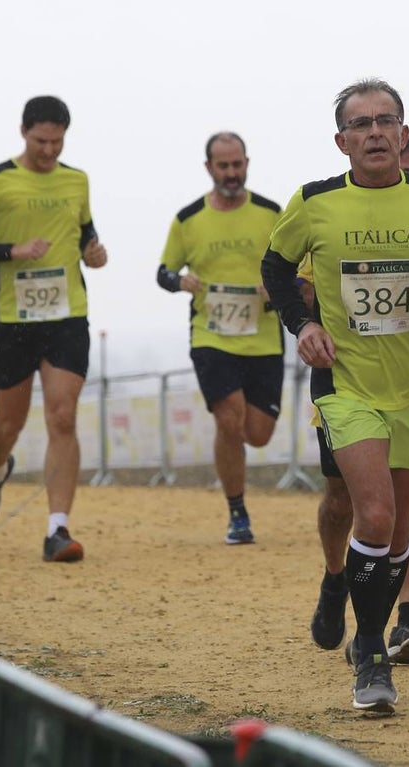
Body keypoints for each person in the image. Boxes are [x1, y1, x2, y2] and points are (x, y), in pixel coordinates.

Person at [262, 79, 409, 713]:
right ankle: (369, 651)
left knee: (397, 538)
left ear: (403, 134)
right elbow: (275, 268)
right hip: (348, 383)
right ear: (341, 141)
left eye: (385, 120)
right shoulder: (313, 203)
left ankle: (363, 609)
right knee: (377, 515)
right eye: (360, 124)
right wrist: (302, 325)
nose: (374, 132)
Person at [0, 95, 107, 563]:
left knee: (62, 416)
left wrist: (94, 253)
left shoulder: (77, 180)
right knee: (8, 425)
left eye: (57, 141)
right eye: (41, 141)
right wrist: (8, 251)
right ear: (23, 132)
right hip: (10, 322)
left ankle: (58, 530)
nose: (49, 150)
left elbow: (86, 237)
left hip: (66, 316)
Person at [156, 133, 283, 545]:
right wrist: (180, 281)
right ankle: (237, 511)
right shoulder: (188, 219)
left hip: (262, 337)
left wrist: (276, 286)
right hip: (211, 336)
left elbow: (296, 264)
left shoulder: (271, 213)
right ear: (208, 168)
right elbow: (163, 272)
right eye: (223, 166)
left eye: (237, 165)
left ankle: (235, 470)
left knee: (258, 433)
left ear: (247, 162)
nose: (231, 173)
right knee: (229, 421)